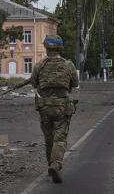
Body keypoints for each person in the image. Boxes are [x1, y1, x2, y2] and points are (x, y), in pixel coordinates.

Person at [31, 34, 78, 183]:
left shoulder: (39, 65)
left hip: (44, 107)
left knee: (49, 138)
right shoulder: (68, 65)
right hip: (61, 107)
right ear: (60, 48)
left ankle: (50, 166)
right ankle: (55, 164)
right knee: (60, 138)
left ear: (46, 48)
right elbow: (75, 83)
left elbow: (33, 83)